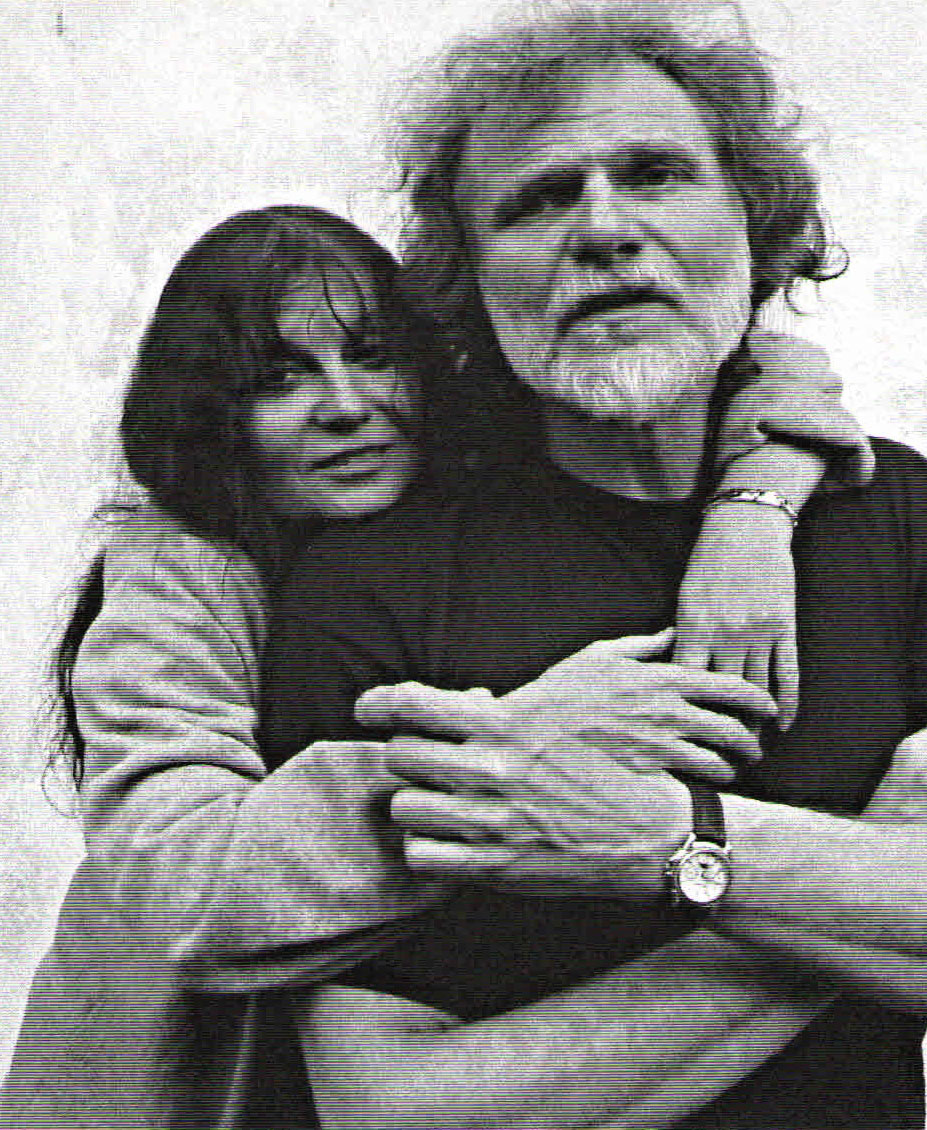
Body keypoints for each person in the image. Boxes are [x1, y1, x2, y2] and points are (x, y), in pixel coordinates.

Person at [258, 8, 927, 1130]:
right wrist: (880, 870)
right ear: (470, 283)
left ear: (751, 220)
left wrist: (668, 840)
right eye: (536, 201)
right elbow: (388, 1106)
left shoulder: (884, 511)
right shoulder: (371, 582)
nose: (603, 229)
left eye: (654, 173)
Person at [0, 198, 879, 1128]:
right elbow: (183, 890)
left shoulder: (467, 480)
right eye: (280, 379)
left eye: (373, 355)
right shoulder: (178, 573)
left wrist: (752, 515)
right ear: (210, 414)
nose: (346, 407)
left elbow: (767, 367)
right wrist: (506, 752)